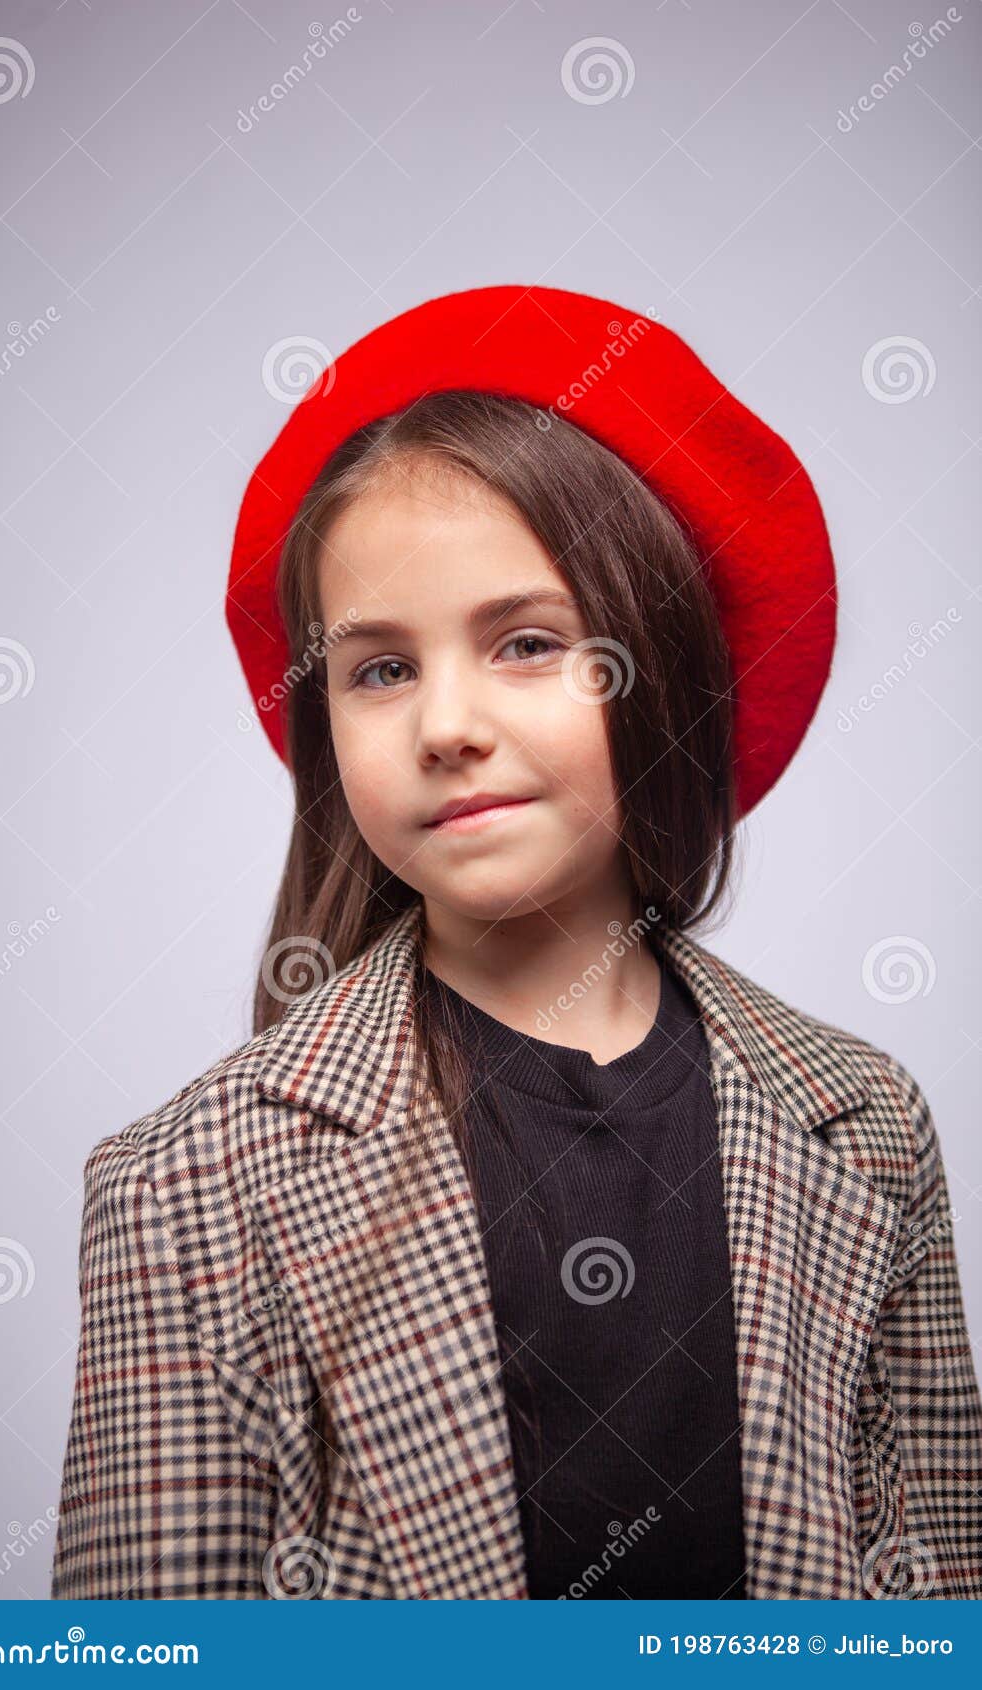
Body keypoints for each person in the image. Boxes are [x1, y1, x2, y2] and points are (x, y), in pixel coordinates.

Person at [50, 286, 981, 1601]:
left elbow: (949, 1604)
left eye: (526, 643)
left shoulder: (869, 1123)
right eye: (380, 668)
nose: (446, 721)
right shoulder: (184, 1183)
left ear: (658, 668)